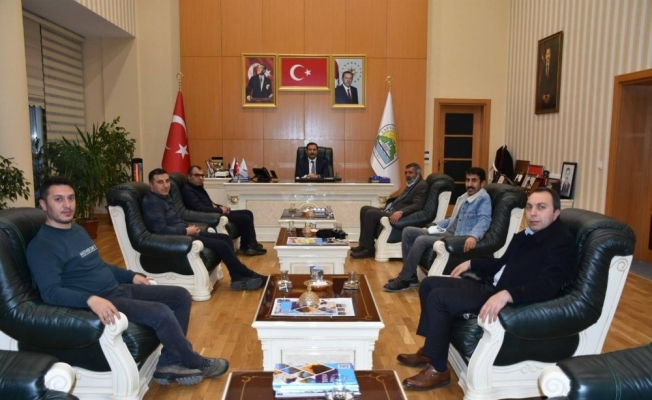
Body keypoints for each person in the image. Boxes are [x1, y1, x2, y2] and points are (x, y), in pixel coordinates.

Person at [26, 176, 229, 386]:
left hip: (118, 288)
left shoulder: (77, 230)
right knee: (161, 312)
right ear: (43, 204)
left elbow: (100, 265)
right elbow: (50, 292)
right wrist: (90, 300)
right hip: (103, 301)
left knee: (181, 295)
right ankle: (194, 361)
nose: (67, 205)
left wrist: (131, 276)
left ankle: (169, 363)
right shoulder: (42, 246)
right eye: (58, 199)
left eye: (71, 198)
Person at [397, 188, 575, 391]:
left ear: (556, 213)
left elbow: (548, 286)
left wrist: (509, 295)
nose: (533, 213)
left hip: (506, 299)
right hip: (491, 286)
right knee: (429, 284)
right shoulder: (526, 235)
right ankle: (431, 350)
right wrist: (472, 263)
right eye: (529, 207)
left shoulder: (560, 243)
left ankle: (438, 369)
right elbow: (501, 264)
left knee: (439, 298)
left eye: (541, 207)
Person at [143, 168, 266, 291]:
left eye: (167, 181)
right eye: (160, 182)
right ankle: (245, 274)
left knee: (225, 238)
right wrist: (186, 231)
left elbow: (176, 220)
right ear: (151, 185)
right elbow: (160, 230)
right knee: (221, 244)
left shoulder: (164, 198)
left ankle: (237, 276)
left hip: (185, 232)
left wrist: (189, 227)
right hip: (178, 239)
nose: (165, 185)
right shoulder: (152, 203)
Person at [384, 167, 492, 292]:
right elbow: (453, 220)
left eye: (474, 180)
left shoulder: (483, 200)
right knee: (408, 231)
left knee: (421, 240)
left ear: (482, 183)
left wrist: (474, 236)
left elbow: (484, 220)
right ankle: (411, 276)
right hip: (446, 231)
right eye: (467, 180)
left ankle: (404, 278)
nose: (469, 184)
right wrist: (434, 225)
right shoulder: (464, 197)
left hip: (457, 238)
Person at [182, 165, 265, 256]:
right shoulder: (188, 190)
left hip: (214, 212)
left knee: (248, 213)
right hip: (210, 216)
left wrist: (221, 206)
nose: (201, 178)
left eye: (202, 175)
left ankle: (251, 243)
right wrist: (220, 210)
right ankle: (247, 247)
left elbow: (209, 204)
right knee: (245, 218)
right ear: (189, 176)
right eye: (197, 175)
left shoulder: (198, 187)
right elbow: (200, 208)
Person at [351, 163, 428, 259]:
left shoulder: (422, 185)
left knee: (370, 214)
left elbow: (417, 205)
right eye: (406, 173)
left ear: (418, 174)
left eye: (410, 172)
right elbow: (401, 199)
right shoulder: (412, 184)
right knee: (364, 209)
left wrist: (401, 212)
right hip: (392, 209)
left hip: (400, 214)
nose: (407, 175)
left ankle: (368, 249)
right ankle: (363, 245)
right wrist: (387, 205)